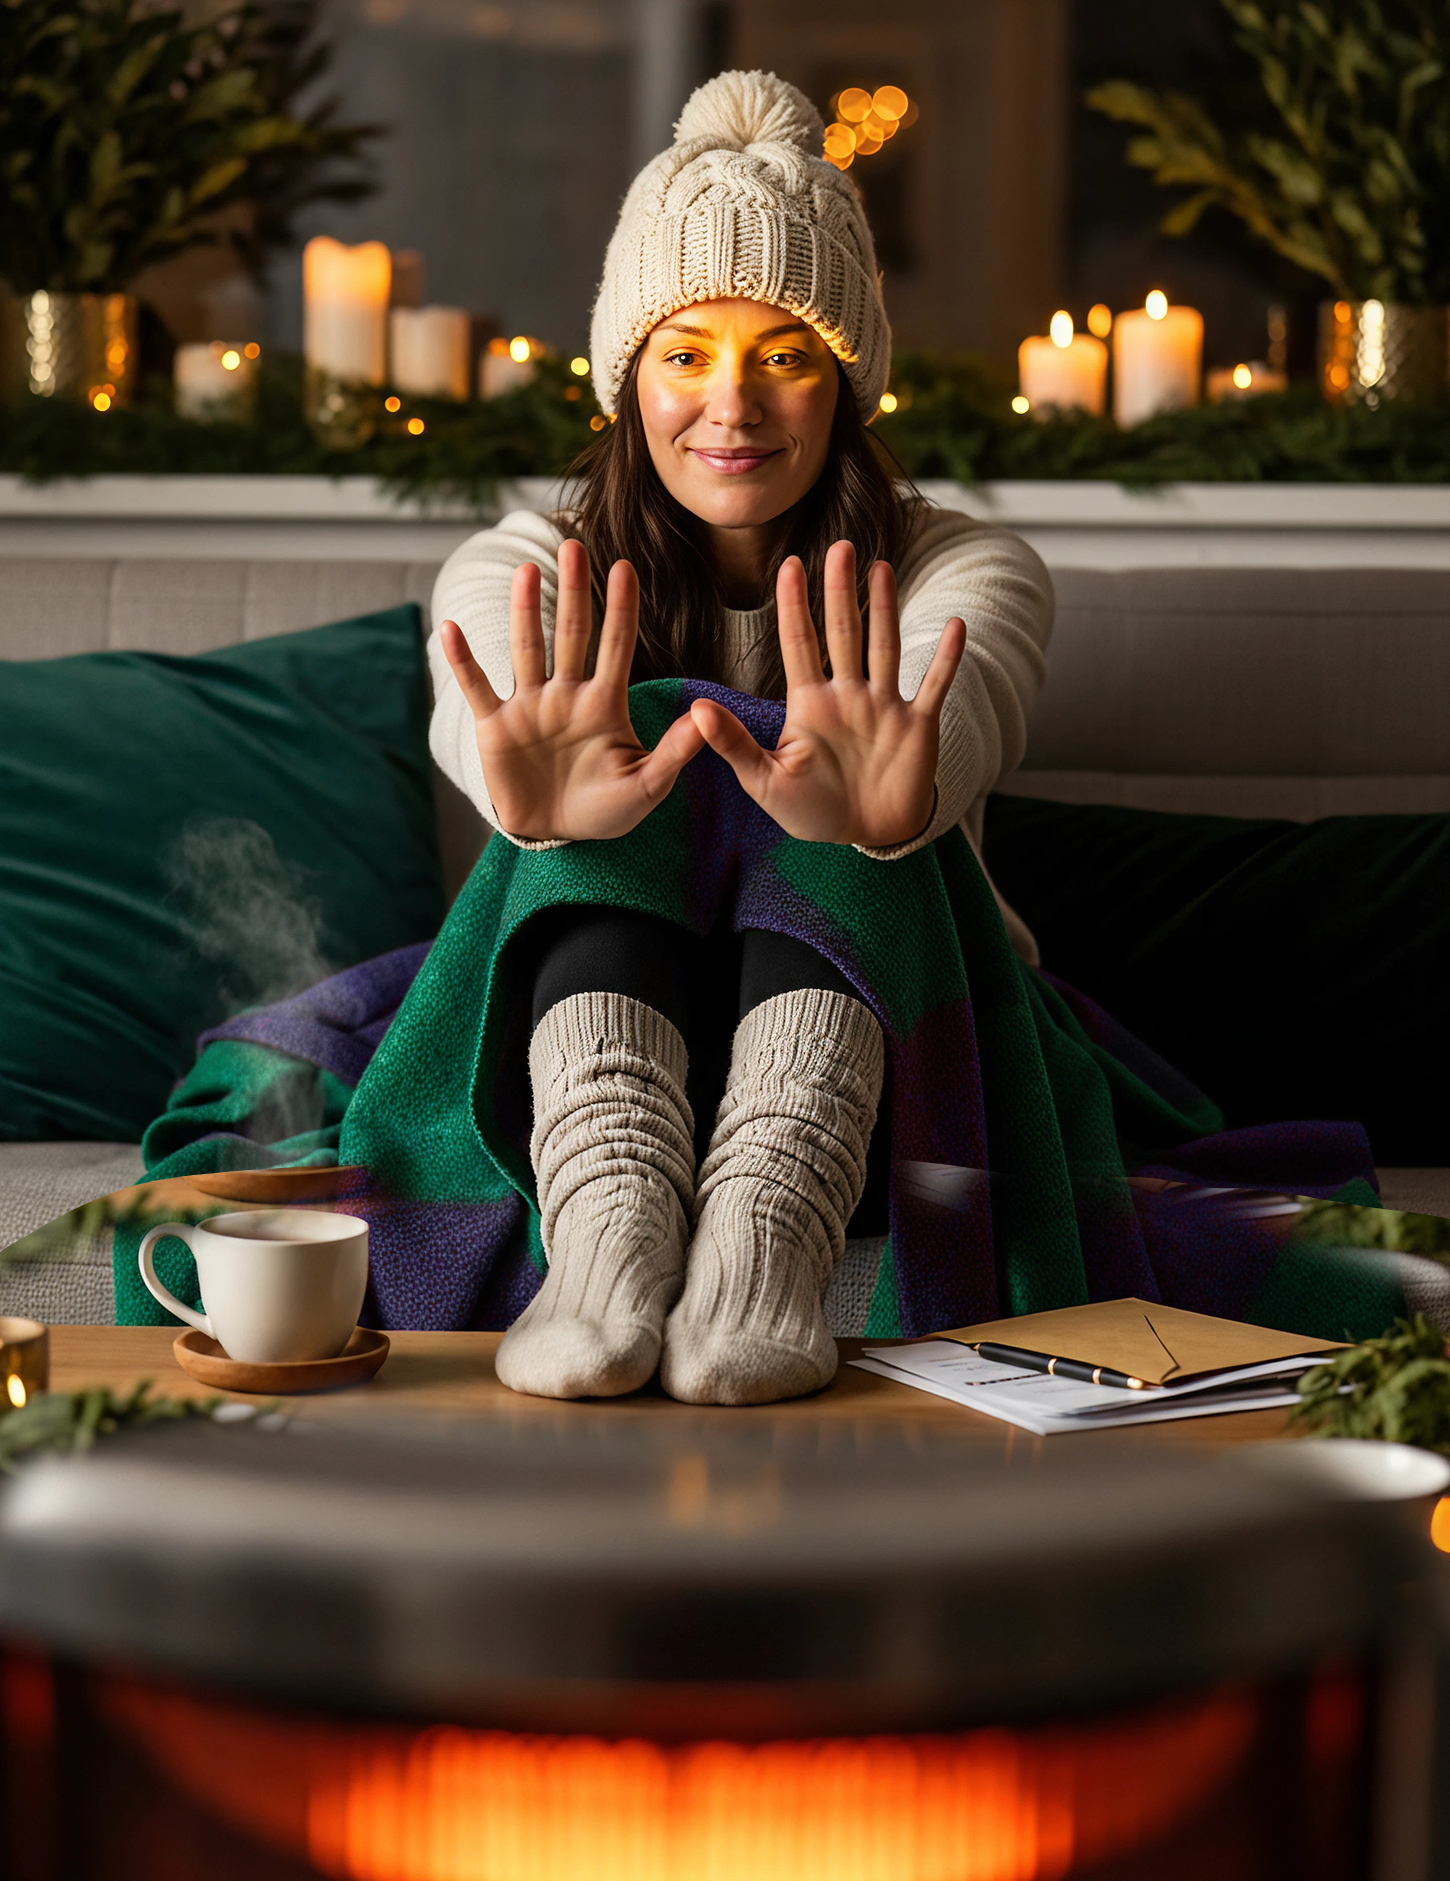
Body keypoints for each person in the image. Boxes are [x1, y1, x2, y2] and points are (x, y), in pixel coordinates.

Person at [427, 69, 1053, 1406]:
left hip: (891, 1062)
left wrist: (902, 800)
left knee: (821, 778)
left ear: (847, 385)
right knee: (639, 739)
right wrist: (522, 798)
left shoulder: (961, 566)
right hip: (590, 1036)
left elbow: (977, 691)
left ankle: (766, 1234)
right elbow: (475, 701)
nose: (733, 406)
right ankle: (603, 1237)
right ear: (624, 382)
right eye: (684, 354)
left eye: (784, 356)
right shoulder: (529, 564)